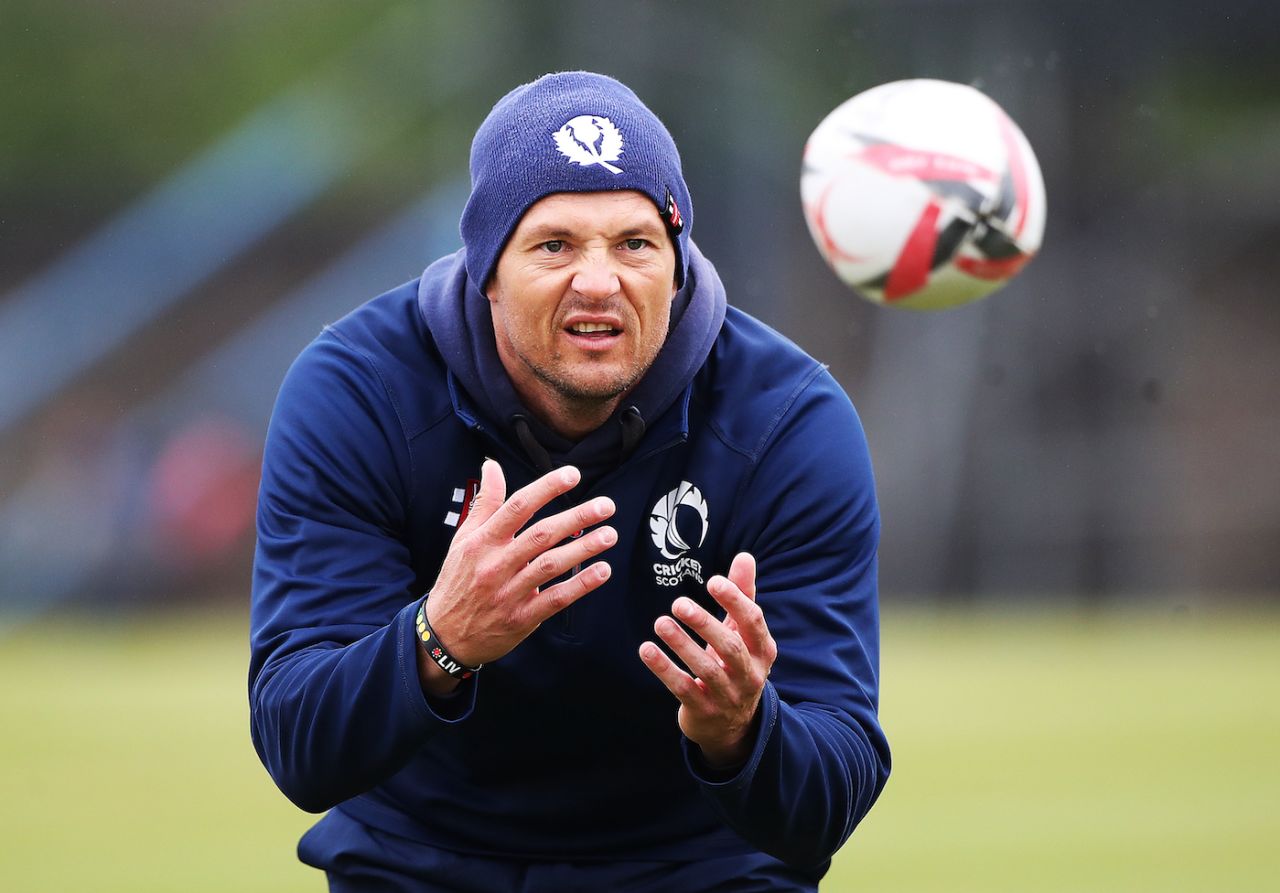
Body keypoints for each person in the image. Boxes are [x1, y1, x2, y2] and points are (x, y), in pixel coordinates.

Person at [250, 71, 889, 892]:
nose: (598, 280)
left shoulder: (785, 421)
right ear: (487, 268)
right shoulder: (360, 391)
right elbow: (300, 745)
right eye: (554, 244)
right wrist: (440, 639)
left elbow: (829, 798)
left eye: (635, 243)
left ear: (677, 264)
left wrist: (742, 730)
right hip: (422, 863)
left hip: (701, 869)